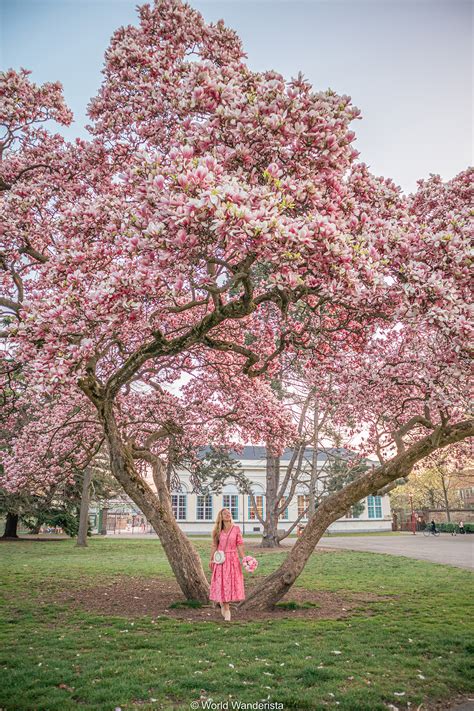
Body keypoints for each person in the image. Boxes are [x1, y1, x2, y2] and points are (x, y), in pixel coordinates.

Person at [209, 508, 245, 622]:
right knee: (222, 583)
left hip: (233, 559)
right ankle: (226, 609)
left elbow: (239, 545)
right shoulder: (217, 531)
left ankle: (225, 605)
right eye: (225, 514)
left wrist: (244, 558)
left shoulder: (236, 529)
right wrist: (211, 559)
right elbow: (214, 546)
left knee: (229, 584)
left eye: (229, 513)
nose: (228, 515)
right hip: (220, 560)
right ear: (221, 516)